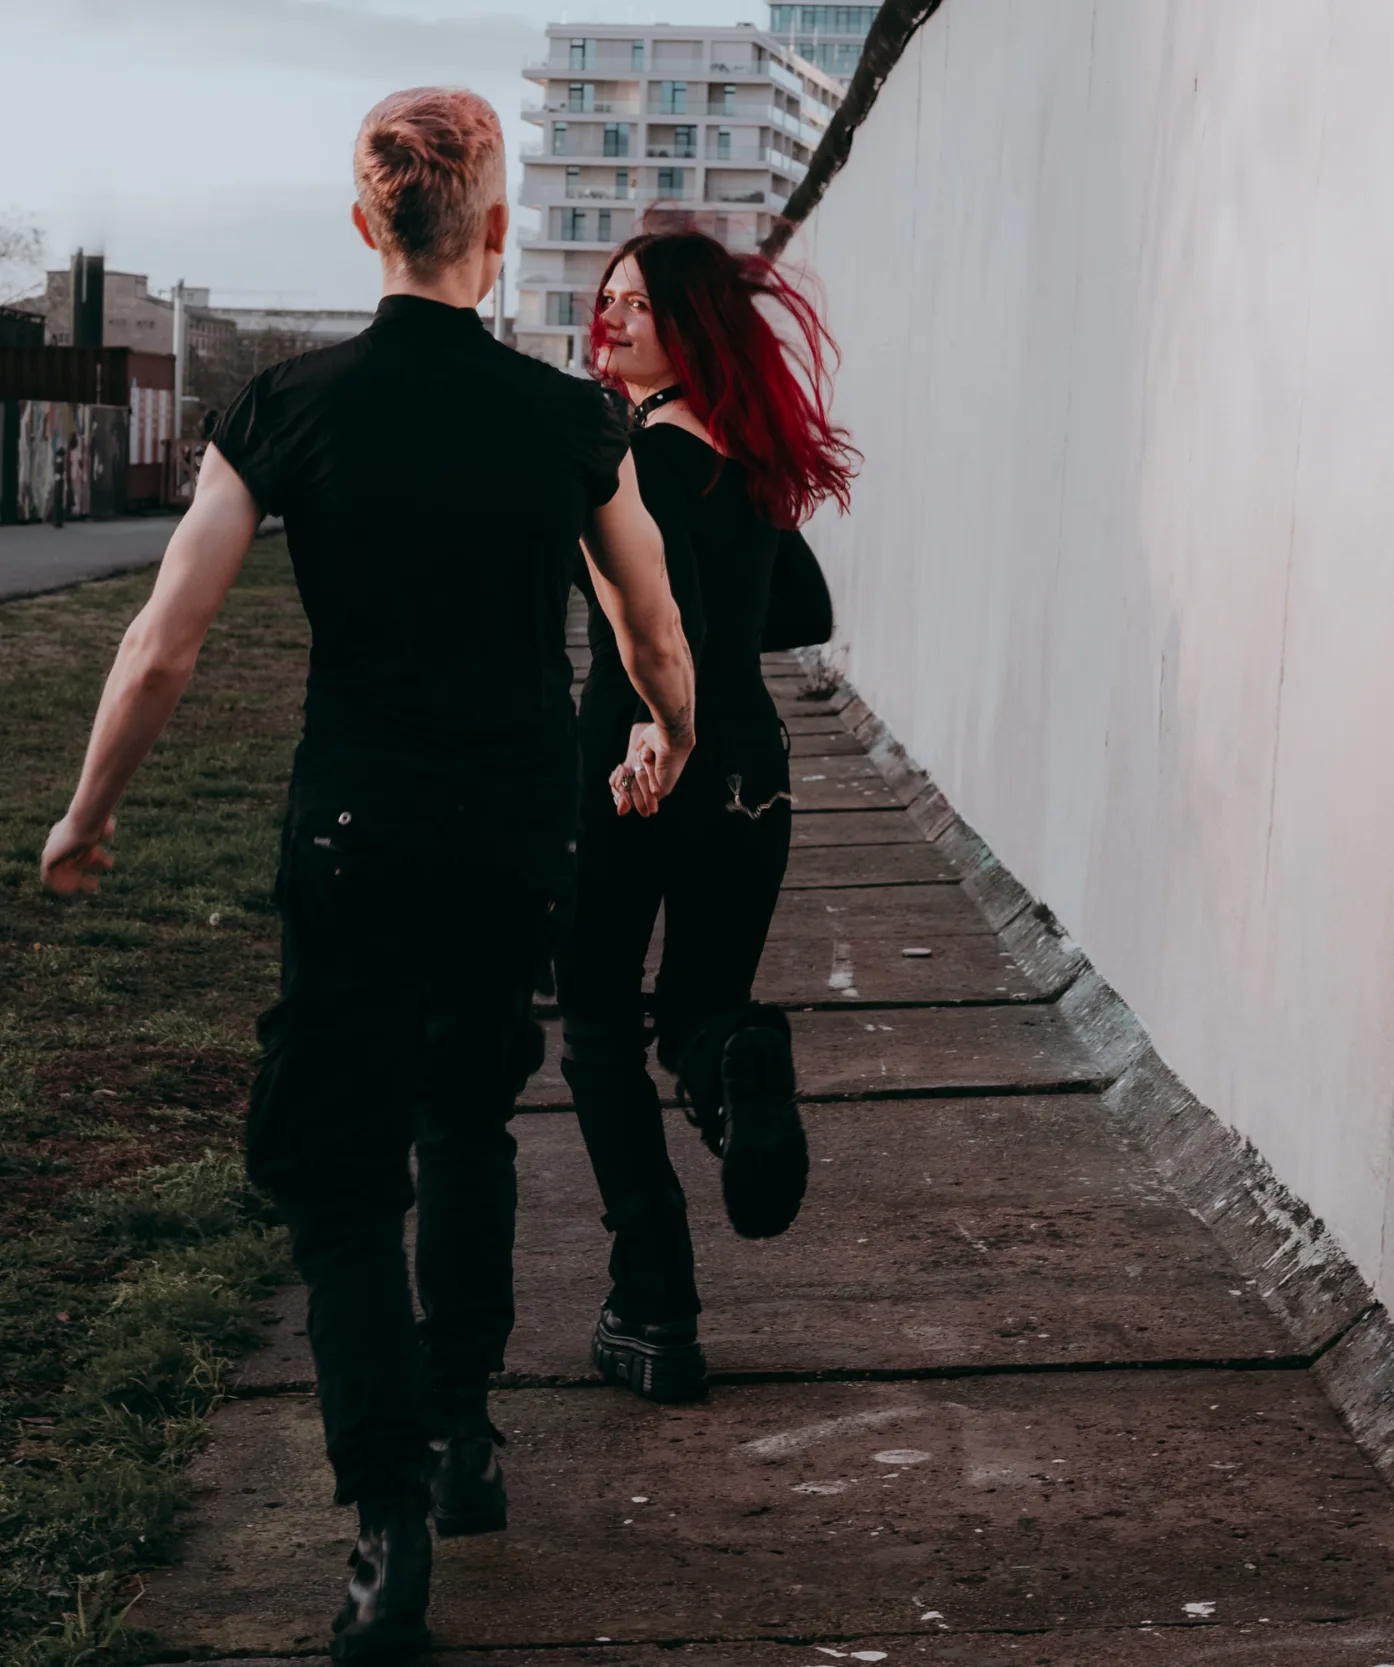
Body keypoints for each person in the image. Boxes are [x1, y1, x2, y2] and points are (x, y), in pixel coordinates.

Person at [37, 88, 697, 1665]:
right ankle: (462, 1431)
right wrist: (672, 733)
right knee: (467, 1117)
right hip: (510, 833)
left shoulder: (288, 406)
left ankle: (388, 1515)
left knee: (340, 1172)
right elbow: (651, 623)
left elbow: (163, 641)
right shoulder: (566, 420)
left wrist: (86, 813)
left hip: (352, 833)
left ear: (364, 227)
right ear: (498, 232)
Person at [554, 229, 857, 1404]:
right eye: (606, 299)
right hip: (754, 773)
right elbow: (807, 610)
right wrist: (724, 627)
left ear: (690, 326)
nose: (611, 321)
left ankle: (655, 1301)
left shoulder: (630, 458)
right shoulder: (748, 460)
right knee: (699, 1009)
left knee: (591, 1022)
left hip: (632, 763)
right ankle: (743, 1059)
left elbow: (643, 627)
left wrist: (655, 698)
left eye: (638, 305)